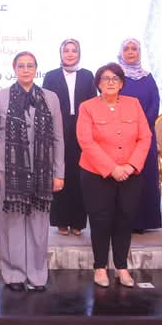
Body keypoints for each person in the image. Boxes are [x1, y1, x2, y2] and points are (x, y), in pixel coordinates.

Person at [0, 51, 64, 292]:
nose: (26, 70)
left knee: (39, 224)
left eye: (30, 65)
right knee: (12, 224)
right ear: (14, 69)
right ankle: (14, 274)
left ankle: (37, 275)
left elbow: (58, 138)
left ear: (36, 69)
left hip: (42, 171)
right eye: (21, 66)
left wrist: (59, 172)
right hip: (9, 172)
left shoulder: (50, 98)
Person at [77, 62, 152, 288]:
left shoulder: (133, 103)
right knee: (100, 221)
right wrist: (112, 168)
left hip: (130, 174)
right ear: (98, 83)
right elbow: (86, 141)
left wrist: (130, 166)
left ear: (121, 83)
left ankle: (121, 267)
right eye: (105, 78)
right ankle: (100, 267)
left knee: (124, 220)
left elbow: (145, 137)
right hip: (96, 174)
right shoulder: (87, 107)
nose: (110, 82)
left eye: (115, 78)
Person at [41, 38, 94, 236]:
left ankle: (78, 222)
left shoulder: (87, 75)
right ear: (61, 54)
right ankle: (61, 220)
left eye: (74, 50)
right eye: (66, 50)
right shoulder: (51, 76)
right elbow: (44, 104)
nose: (70, 54)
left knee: (80, 175)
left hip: (82, 128)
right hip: (58, 128)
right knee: (59, 173)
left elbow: (93, 104)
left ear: (79, 54)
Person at [117, 38, 162, 232]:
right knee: (125, 179)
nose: (130, 52)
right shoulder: (115, 77)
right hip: (121, 136)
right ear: (121, 52)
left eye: (134, 49)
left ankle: (144, 222)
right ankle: (124, 222)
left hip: (145, 136)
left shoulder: (147, 77)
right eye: (126, 49)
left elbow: (154, 103)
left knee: (145, 176)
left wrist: (141, 128)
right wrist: (127, 128)